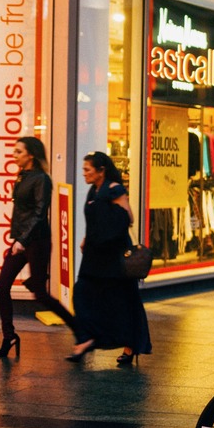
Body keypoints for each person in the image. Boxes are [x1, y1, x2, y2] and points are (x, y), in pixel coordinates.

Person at [0, 137, 78, 359]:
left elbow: (40, 213)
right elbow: (22, 211)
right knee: (2, 285)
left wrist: (22, 240)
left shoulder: (42, 179)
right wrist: (18, 239)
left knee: (40, 294)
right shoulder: (22, 176)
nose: (14, 155)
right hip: (22, 239)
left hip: (37, 240)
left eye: (18, 151)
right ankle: (9, 336)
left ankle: (78, 328)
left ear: (30, 154)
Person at [67, 152, 150, 365]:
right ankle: (87, 338)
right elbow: (93, 219)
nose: (84, 173)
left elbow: (128, 217)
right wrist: (87, 237)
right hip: (95, 254)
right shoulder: (93, 191)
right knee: (83, 292)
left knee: (124, 301)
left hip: (113, 256)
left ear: (101, 170)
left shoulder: (114, 189)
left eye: (88, 169)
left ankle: (130, 345)